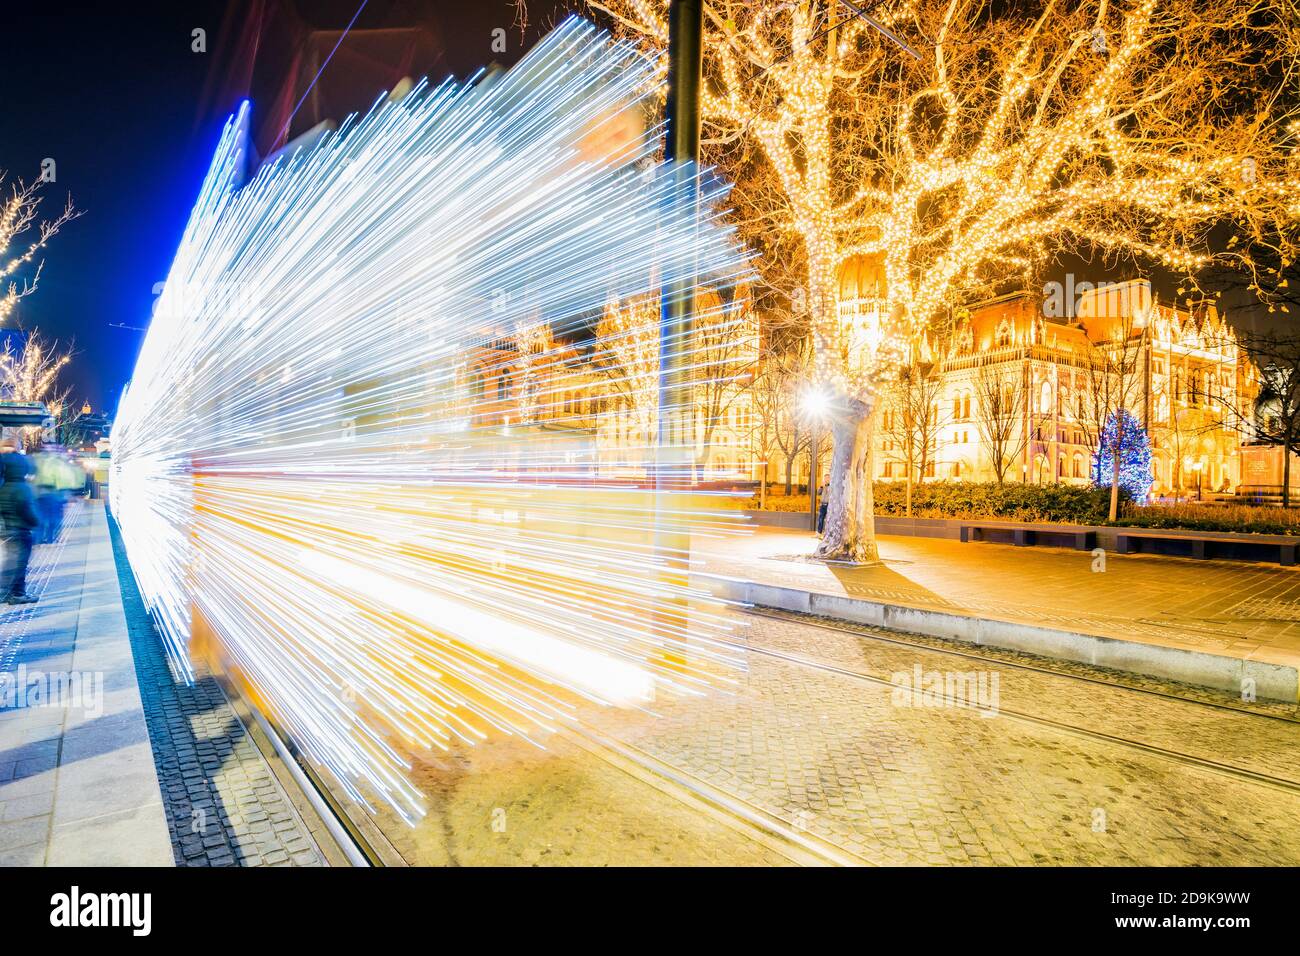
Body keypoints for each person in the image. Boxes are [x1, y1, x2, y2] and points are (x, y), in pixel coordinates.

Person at [0, 450, 40, 604]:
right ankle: (17, 594)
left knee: (10, 561)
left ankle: (4, 592)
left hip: (6, 529)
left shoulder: (4, 485)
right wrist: (36, 523)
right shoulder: (22, 488)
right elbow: (27, 511)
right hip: (20, 530)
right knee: (20, 563)